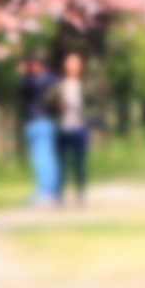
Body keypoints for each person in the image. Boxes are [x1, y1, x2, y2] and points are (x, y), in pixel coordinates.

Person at [16, 54, 59, 205]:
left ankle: (45, 193)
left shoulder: (35, 81)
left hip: (38, 121)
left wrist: (22, 74)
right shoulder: (53, 79)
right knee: (46, 157)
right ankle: (49, 191)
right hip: (46, 121)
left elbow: (21, 88)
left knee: (41, 158)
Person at [49, 53, 92, 206]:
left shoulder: (85, 86)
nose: (73, 68)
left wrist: (86, 117)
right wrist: (58, 106)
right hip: (63, 127)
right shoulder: (59, 86)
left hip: (80, 127)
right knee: (61, 163)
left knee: (80, 163)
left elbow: (93, 105)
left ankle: (80, 194)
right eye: (70, 64)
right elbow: (48, 103)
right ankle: (59, 195)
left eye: (76, 64)